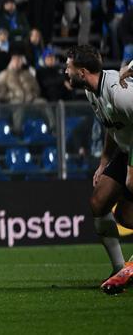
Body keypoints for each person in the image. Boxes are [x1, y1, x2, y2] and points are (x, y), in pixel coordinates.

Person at [65, 46, 133, 294]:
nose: (65, 71)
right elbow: (112, 125)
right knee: (100, 203)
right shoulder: (91, 91)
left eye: (68, 67)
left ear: (82, 72)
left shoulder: (120, 92)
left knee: (128, 204)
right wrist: (105, 160)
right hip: (126, 149)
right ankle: (119, 268)